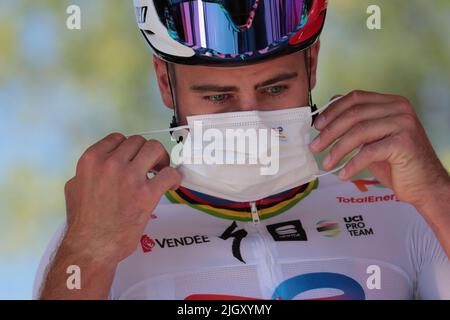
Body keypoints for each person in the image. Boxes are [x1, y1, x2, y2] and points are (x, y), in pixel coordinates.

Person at [34, 0, 450, 300]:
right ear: (165, 83)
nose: (251, 119)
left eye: (274, 89)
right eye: (218, 97)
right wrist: (88, 250)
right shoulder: (105, 231)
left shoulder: (404, 209)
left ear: (313, 65)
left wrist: (437, 193)